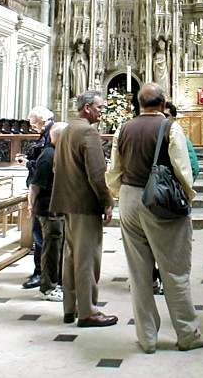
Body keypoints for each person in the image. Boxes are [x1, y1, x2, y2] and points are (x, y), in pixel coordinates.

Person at [106, 83, 203, 353]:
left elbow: (113, 169)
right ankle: (187, 334)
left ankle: (147, 338)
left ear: (138, 104)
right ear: (164, 104)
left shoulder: (124, 128)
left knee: (139, 273)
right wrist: (186, 199)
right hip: (160, 200)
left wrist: (122, 194)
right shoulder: (170, 127)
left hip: (129, 199)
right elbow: (182, 169)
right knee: (174, 270)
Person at [50, 91, 117, 328]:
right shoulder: (88, 131)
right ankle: (88, 311)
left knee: (70, 256)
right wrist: (107, 201)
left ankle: (70, 308)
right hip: (84, 204)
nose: (102, 111)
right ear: (87, 108)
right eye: (100, 107)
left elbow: (58, 167)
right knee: (87, 258)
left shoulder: (67, 129)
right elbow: (97, 173)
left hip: (68, 203)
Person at [29, 122, 67, 302]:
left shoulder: (58, 153)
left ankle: (58, 283)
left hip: (58, 208)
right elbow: (35, 186)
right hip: (48, 209)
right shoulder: (48, 155)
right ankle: (48, 287)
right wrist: (31, 207)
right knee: (51, 248)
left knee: (58, 247)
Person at [19, 106, 54, 290]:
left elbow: (43, 167)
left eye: (33, 123)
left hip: (44, 194)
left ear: (41, 120)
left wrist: (28, 163)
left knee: (41, 236)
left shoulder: (50, 138)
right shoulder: (46, 135)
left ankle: (41, 274)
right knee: (41, 235)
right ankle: (42, 272)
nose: (32, 127)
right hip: (44, 193)